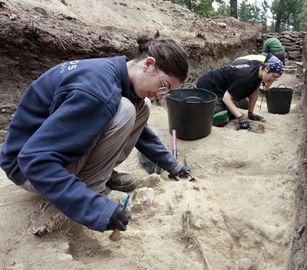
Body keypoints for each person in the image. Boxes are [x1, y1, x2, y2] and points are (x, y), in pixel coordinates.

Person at [0, 35, 191, 233]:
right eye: (163, 86)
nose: (161, 95)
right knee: (125, 109)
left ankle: (99, 176)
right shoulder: (97, 91)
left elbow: (142, 132)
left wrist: (172, 164)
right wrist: (96, 208)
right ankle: (90, 188)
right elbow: (34, 160)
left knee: (141, 108)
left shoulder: (116, 74)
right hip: (27, 171)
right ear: (148, 64)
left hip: (42, 154)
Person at [196, 53, 284, 130]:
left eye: (275, 79)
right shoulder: (247, 78)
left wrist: (250, 113)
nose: (273, 80)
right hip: (208, 86)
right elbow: (226, 98)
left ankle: (228, 107)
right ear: (267, 69)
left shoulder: (258, 70)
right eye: (274, 76)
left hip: (223, 88)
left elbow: (255, 90)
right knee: (222, 115)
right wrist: (241, 118)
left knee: (234, 110)